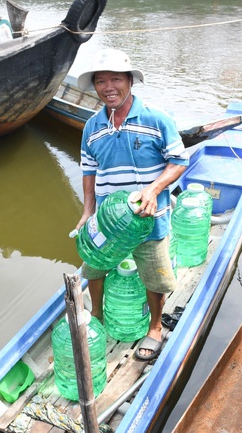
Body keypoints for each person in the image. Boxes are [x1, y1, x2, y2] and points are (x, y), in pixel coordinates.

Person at [74, 49, 189, 361]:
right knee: (93, 268)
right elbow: (88, 169)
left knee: (154, 276)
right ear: (95, 87)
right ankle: (96, 316)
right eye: (101, 81)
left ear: (130, 81)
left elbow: (179, 161)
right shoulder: (92, 126)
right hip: (108, 221)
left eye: (115, 79)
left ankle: (154, 328)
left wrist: (153, 189)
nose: (108, 87)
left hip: (148, 218)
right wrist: (88, 210)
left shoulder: (156, 118)